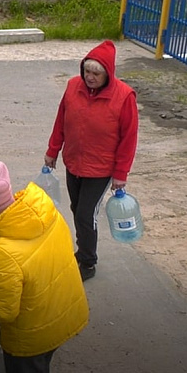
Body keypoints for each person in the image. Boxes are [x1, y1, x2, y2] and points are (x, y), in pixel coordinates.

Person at [0, 161, 89, 373]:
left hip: (32, 336)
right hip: (64, 311)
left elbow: (2, 312)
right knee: (41, 369)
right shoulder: (43, 210)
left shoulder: (1, 252)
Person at [44, 40, 138, 281]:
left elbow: (129, 138)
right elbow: (61, 121)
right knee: (77, 210)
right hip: (74, 163)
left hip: (101, 169)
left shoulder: (124, 96)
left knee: (86, 215)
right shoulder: (73, 86)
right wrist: (52, 150)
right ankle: (82, 250)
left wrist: (121, 174)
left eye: (96, 73)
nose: (90, 77)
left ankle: (88, 262)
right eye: (87, 71)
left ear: (108, 73)